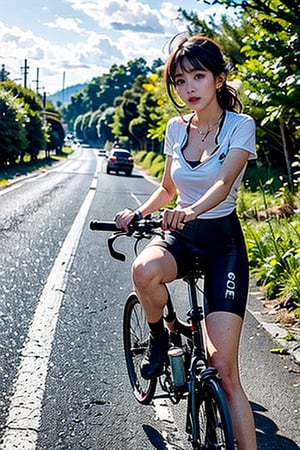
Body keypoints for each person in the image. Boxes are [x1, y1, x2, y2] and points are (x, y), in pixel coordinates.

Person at [115, 34, 257, 450]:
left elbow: (223, 181)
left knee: (224, 371)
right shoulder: (176, 128)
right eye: (179, 81)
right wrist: (138, 214)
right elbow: (166, 189)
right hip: (180, 235)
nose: (188, 88)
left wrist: (193, 210)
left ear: (218, 79)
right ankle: (160, 336)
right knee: (143, 269)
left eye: (198, 76)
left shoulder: (239, 125)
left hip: (222, 245)